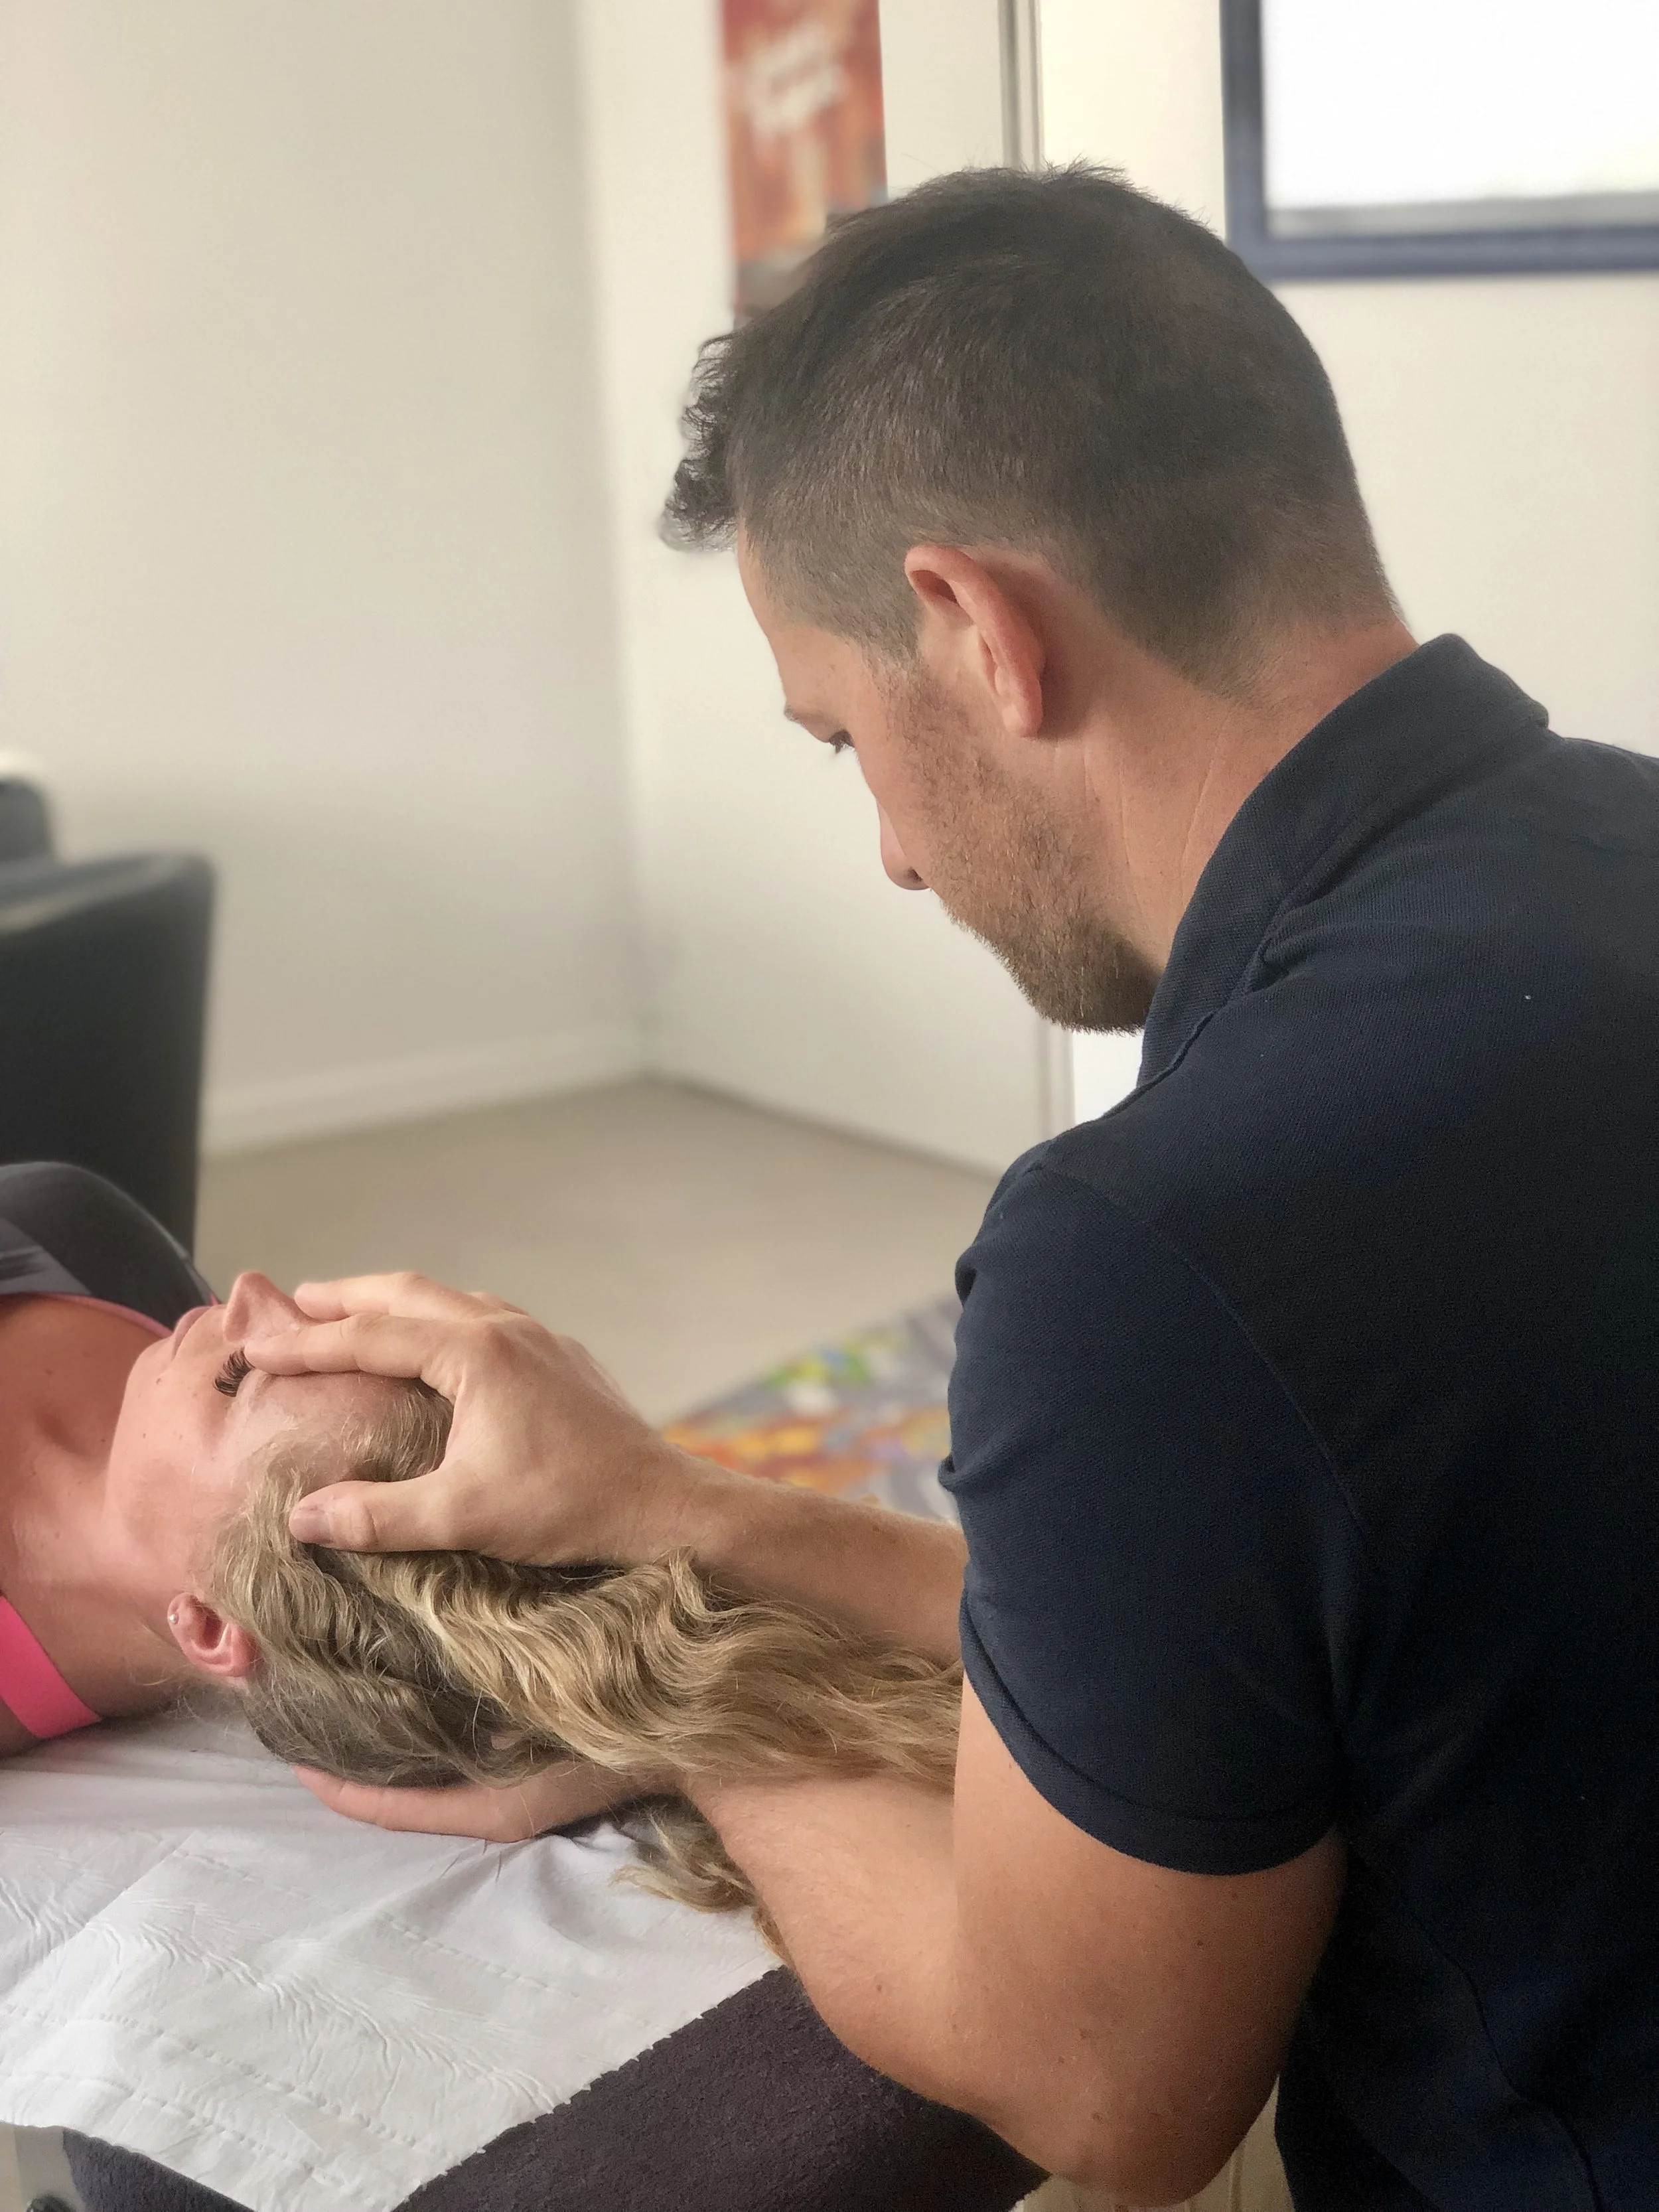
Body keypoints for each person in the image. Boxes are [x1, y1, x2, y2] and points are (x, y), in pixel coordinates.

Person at [247, 163, 1659, 2210]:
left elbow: (1095, 2083)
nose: (896, 857)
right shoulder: (1617, 850)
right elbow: (1243, 1629)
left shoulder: (1166, 1246)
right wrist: (681, 1509)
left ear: (975, 630)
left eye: (843, 742)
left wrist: (667, 1705)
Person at [0, 1159, 960, 1923]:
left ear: (210, 1625)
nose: (248, 1289)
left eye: (237, 1380)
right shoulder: (81, 1235)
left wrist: (653, 1745)